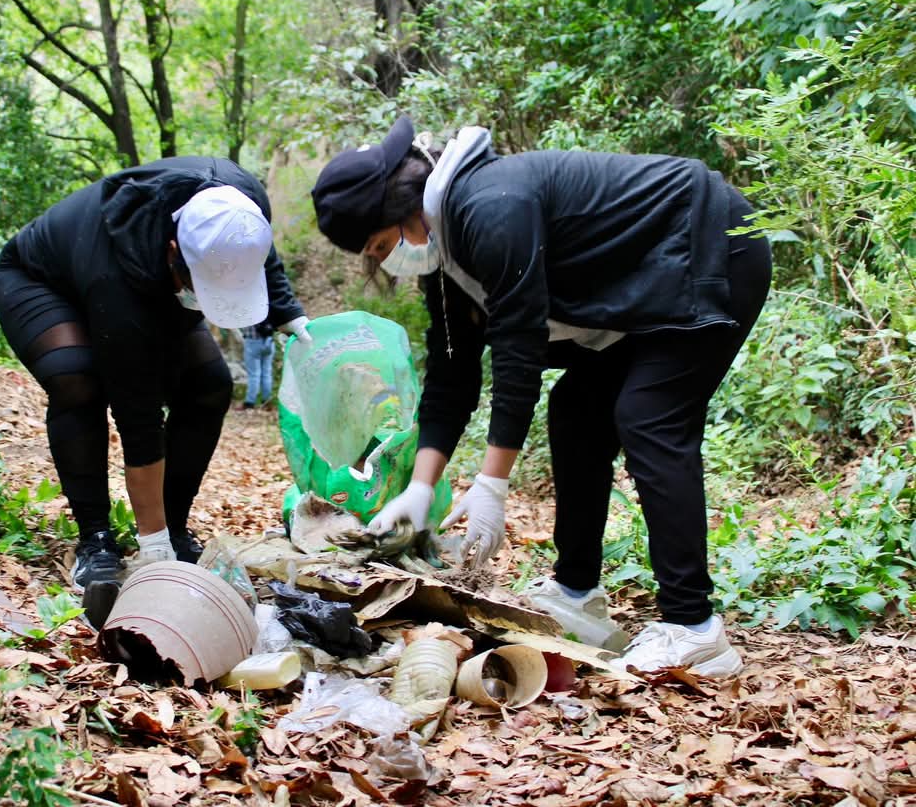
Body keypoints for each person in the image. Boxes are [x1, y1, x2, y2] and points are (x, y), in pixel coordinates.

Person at [311, 116, 771, 677]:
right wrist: (419, 487)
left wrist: (492, 485)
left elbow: (518, 349)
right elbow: (452, 374)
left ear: (403, 206)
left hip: (712, 244)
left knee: (649, 416)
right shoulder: (447, 259)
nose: (389, 260)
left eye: (384, 244)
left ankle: (695, 629)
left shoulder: (490, 207)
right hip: (648, 287)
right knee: (577, 410)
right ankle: (576, 592)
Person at [0, 157, 310, 626]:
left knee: (209, 384)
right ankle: (96, 540)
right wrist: (152, 545)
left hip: (146, 282)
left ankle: (177, 528)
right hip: (42, 282)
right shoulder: (116, 279)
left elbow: (256, 251)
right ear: (172, 251)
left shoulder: (240, 203)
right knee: (77, 378)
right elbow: (138, 419)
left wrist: (288, 313)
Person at [240, 317, 276, 408]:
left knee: (254, 374)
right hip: (269, 341)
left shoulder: (248, 306)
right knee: (267, 373)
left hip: (253, 341)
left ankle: (250, 402)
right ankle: (266, 401)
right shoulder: (268, 304)